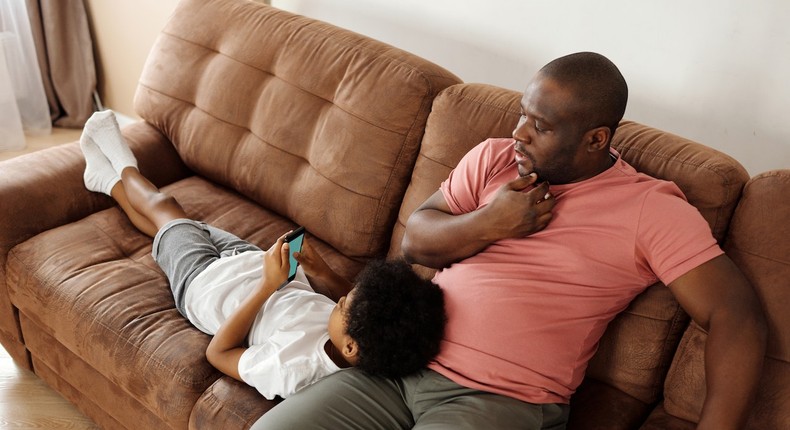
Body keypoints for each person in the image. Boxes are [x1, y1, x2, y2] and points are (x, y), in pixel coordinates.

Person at [251, 52, 767, 429]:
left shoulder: (649, 209)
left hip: (499, 401)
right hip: (397, 368)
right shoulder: (495, 159)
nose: (518, 132)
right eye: (523, 112)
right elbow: (417, 242)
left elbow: (736, 315)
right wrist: (491, 222)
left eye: (539, 126)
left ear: (596, 139)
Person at [78, 110, 446, 400]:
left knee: (166, 208)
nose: (339, 299)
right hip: (248, 260)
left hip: (206, 284)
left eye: (341, 305)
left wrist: (267, 287)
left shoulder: (292, 368)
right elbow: (345, 298)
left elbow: (219, 354)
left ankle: (119, 160)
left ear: (350, 346)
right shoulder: (357, 335)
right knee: (170, 228)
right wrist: (320, 270)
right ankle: (106, 182)